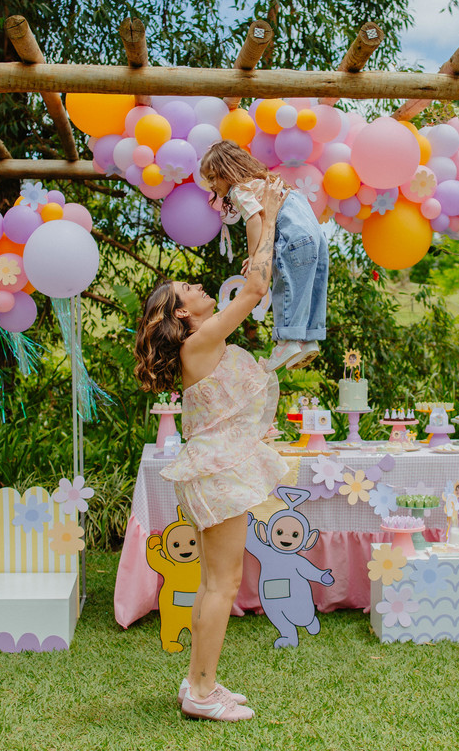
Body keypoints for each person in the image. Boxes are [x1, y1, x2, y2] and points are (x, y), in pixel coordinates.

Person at [133, 177, 288, 722]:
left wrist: (259, 217)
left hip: (216, 470)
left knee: (214, 582)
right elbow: (255, 288)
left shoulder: (203, 342)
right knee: (223, 583)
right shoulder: (200, 342)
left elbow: (252, 279)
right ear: (182, 313)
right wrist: (265, 213)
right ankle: (201, 692)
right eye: (188, 289)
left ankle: (199, 681)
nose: (199, 287)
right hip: (217, 473)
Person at [199, 140, 329, 371]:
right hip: (316, 238)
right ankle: (309, 339)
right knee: (308, 287)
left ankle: (286, 342)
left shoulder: (239, 190)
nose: (211, 185)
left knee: (286, 284)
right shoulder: (266, 183)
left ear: (227, 170)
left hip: (294, 236)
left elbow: (254, 219)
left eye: (212, 177)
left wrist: (254, 254)